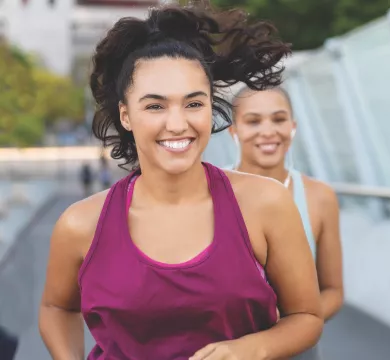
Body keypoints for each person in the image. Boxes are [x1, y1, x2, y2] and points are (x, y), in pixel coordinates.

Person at [39, 3, 323, 360]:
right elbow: (56, 308)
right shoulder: (80, 225)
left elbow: (306, 317)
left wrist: (253, 348)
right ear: (126, 115)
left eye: (193, 104)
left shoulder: (265, 205)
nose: (177, 124)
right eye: (155, 106)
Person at [229, 87, 344, 357]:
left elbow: (333, 290)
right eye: (253, 121)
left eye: (278, 119)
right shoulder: (209, 192)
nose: (268, 131)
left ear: (292, 127)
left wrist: (288, 325)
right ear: (233, 131)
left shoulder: (320, 197)